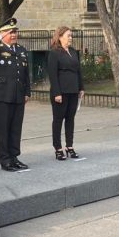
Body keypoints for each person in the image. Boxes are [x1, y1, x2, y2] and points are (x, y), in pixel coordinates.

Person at [0, 18, 31, 171]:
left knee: (16, 128)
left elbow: (25, 74)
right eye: (10, 32)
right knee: (2, 129)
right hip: (1, 96)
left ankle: (14, 156)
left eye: (15, 31)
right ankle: (5, 160)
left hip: (17, 95)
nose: (14, 34)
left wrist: (27, 92)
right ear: (2, 34)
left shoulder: (21, 50)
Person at [48, 26, 85, 160]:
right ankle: (58, 148)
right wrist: (57, 93)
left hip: (73, 91)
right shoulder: (54, 53)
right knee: (58, 120)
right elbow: (53, 74)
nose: (71, 38)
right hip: (61, 92)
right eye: (68, 35)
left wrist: (81, 88)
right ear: (60, 37)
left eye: (71, 36)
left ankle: (70, 146)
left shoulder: (74, 52)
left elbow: (78, 71)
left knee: (70, 119)